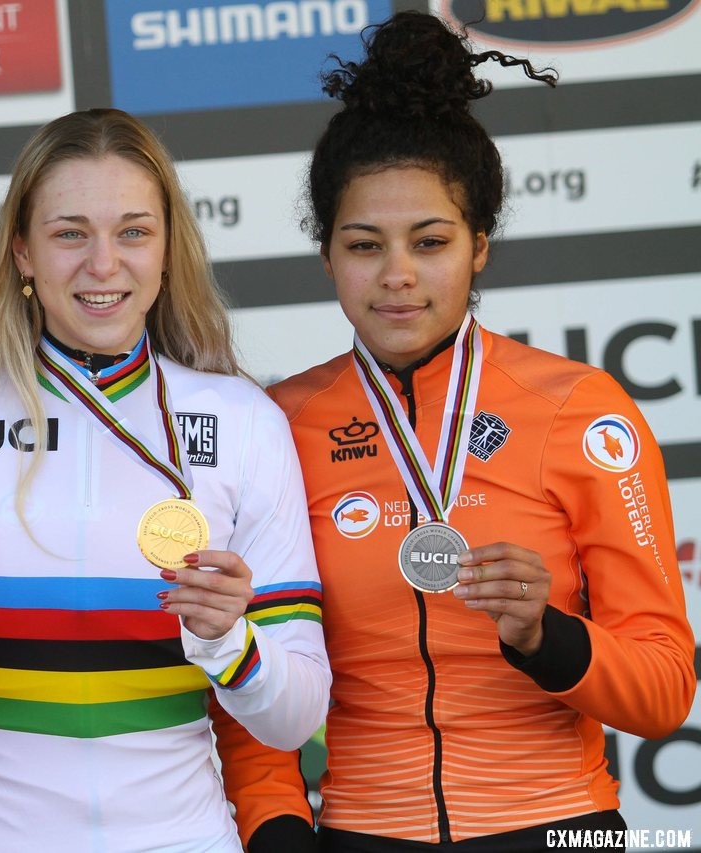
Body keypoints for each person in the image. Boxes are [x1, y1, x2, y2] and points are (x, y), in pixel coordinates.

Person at [235, 12, 696, 852]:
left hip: (559, 827)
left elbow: (665, 690)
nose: (398, 274)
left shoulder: (579, 408)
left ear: (479, 246)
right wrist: (275, 830)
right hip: (361, 830)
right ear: (327, 256)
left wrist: (543, 634)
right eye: (364, 244)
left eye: (432, 241)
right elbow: (250, 672)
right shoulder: (278, 427)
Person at [0, 108, 330, 852]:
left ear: (166, 251)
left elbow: (295, 717)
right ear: (22, 251)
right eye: (70, 233)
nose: (103, 264)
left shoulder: (242, 421)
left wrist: (232, 641)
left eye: (133, 231)